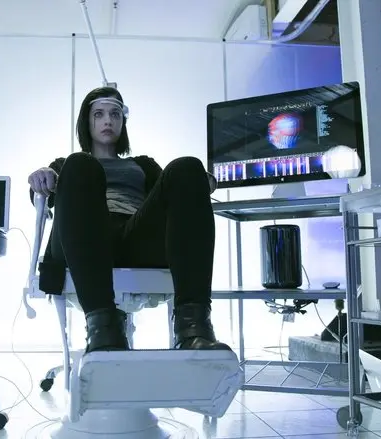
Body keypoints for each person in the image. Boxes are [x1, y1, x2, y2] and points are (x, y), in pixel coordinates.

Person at [27, 86, 230, 354]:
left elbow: (173, 193)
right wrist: (43, 177)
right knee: (80, 164)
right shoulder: (67, 165)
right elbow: (39, 195)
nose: (108, 120)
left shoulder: (143, 165)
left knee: (187, 166)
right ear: (87, 121)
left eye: (115, 114)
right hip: (82, 241)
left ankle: (193, 327)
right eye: (99, 114)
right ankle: (103, 330)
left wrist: (195, 181)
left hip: (134, 237)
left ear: (123, 123)